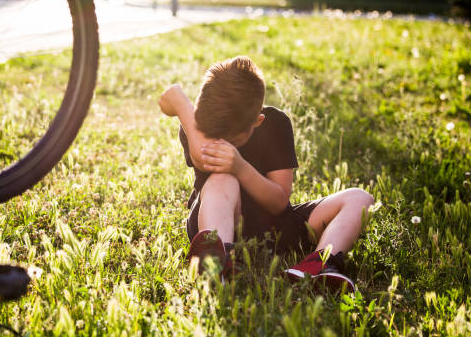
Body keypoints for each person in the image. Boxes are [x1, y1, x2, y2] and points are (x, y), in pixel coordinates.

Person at [158, 56, 373, 292]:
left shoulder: (276, 125)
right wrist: (183, 107)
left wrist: (240, 167)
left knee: (360, 198)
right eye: (213, 136)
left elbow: (279, 203)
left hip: (274, 228)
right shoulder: (200, 122)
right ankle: (217, 260)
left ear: (258, 121)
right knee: (222, 178)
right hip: (219, 220)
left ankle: (317, 266)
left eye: (231, 139)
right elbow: (199, 151)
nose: (221, 143)